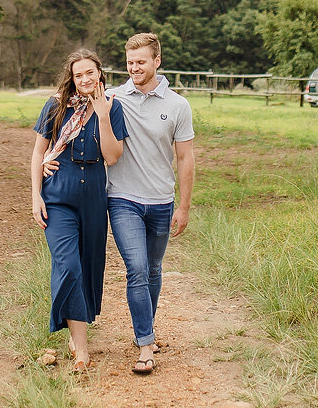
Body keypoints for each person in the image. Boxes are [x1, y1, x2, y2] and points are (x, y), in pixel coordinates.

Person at [30, 48, 127, 370]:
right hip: (58, 196)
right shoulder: (56, 106)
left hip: (94, 199)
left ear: (100, 74)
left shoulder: (113, 108)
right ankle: (82, 352)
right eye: (78, 74)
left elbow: (113, 156)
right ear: (72, 79)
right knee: (69, 265)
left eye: (90, 73)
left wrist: (101, 114)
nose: (85, 79)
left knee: (88, 269)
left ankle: (77, 333)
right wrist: (36, 196)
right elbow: (38, 153)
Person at [105, 32, 195, 375]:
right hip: (123, 198)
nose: (134, 68)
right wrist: (48, 157)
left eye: (141, 62)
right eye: (129, 62)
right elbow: (74, 103)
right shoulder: (114, 98)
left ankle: (146, 328)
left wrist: (183, 207)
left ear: (157, 61)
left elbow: (185, 158)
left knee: (154, 270)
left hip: (161, 201)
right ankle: (145, 344)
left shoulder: (177, 106)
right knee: (137, 269)